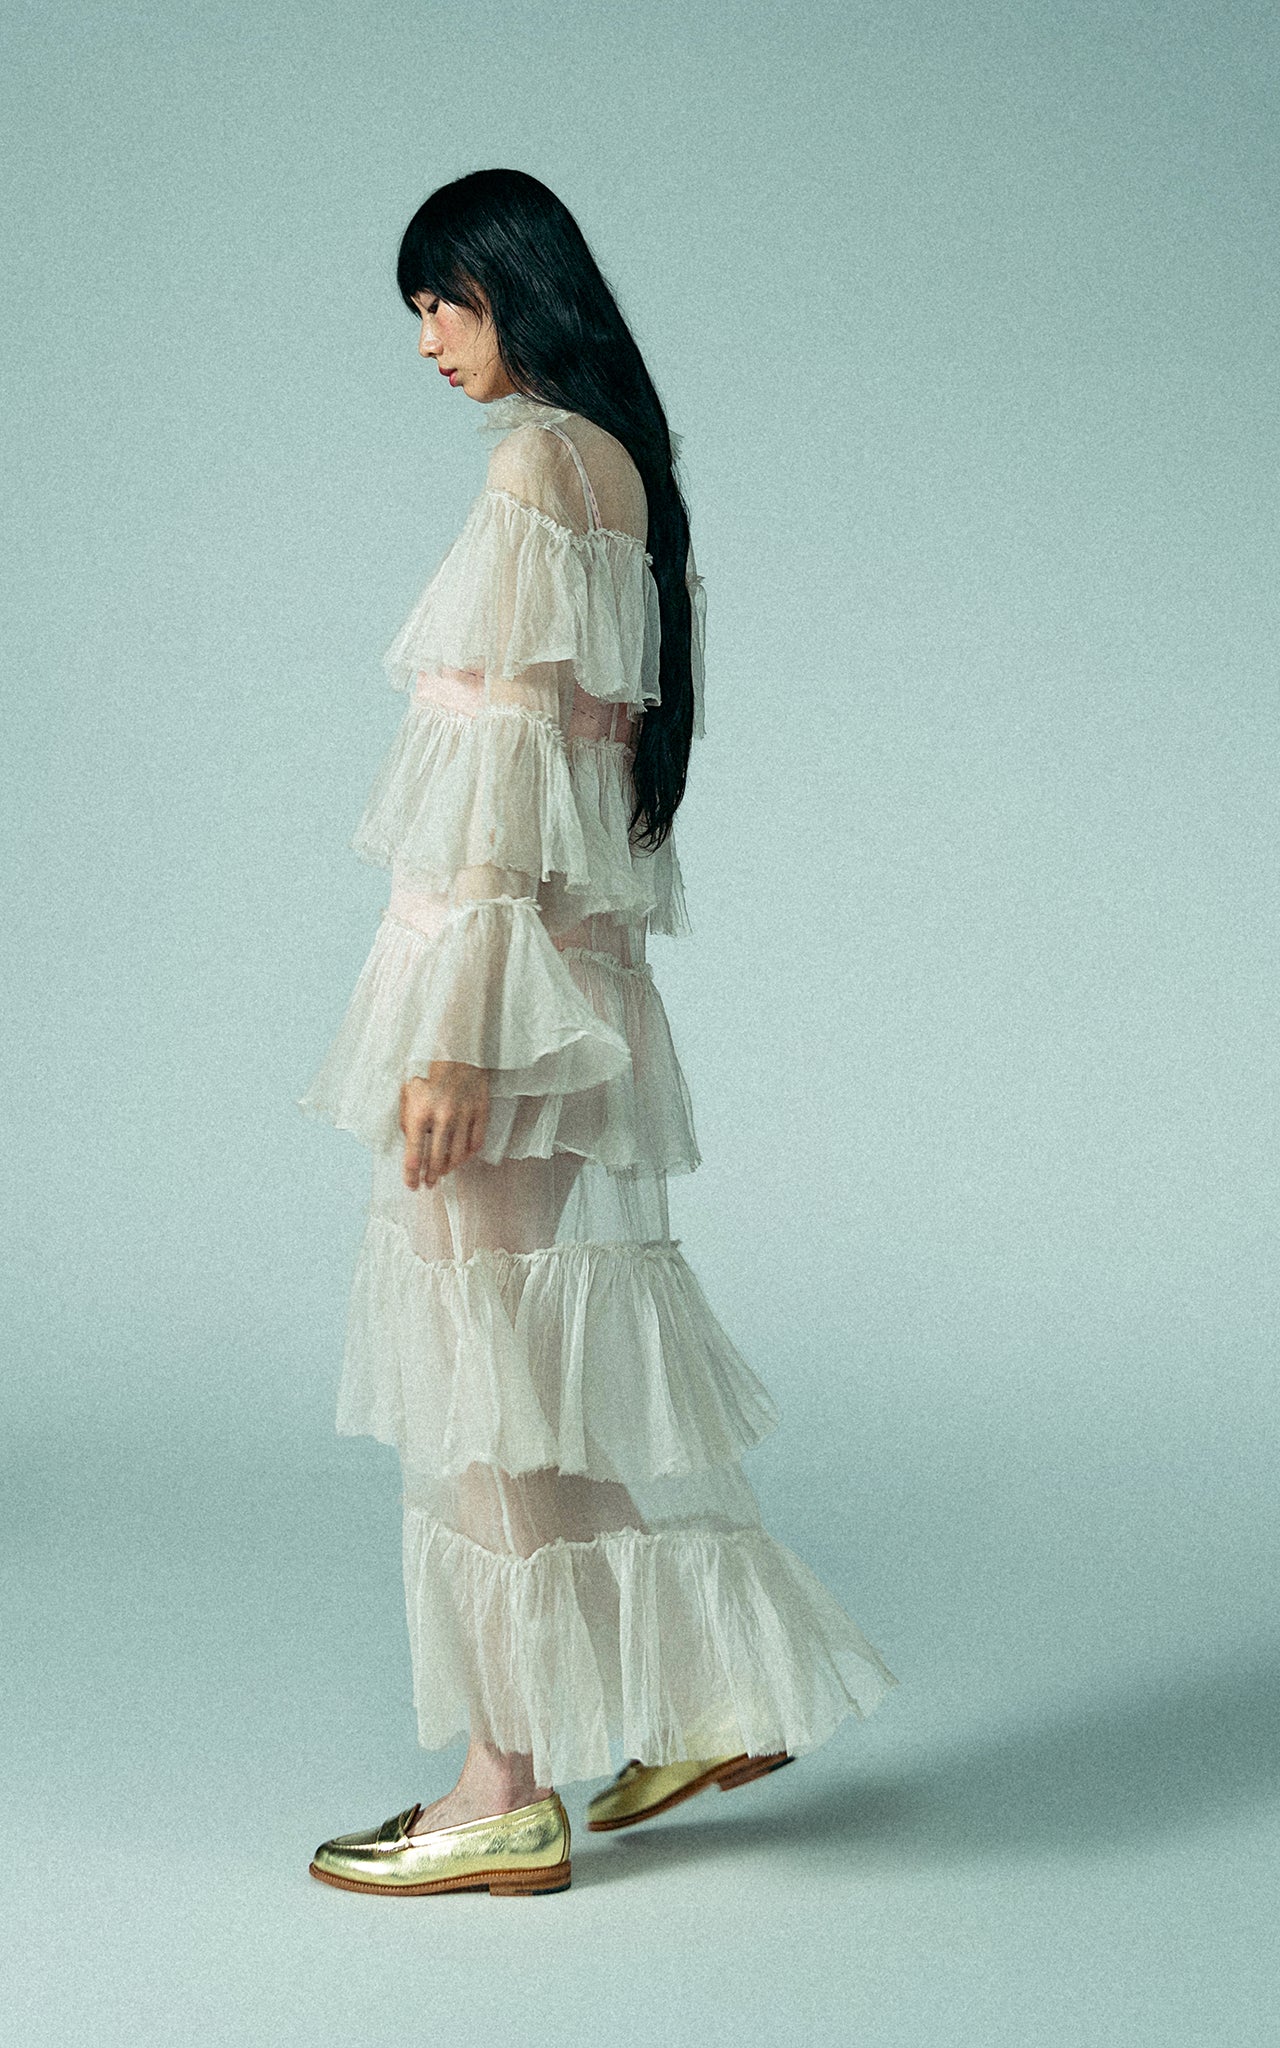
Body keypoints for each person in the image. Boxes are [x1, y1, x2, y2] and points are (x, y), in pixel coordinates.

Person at [297, 167, 897, 1899]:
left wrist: (453, 1039)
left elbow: (506, 761)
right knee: (515, 1381)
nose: (429, 340)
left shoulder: (537, 468)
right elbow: (582, 760)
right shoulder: (625, 471)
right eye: (418, 311)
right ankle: (717, 1695)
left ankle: (499, 1793)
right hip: (571, 989)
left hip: (501, 998)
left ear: (520, 289)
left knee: (483, 1397)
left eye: (447, 303)